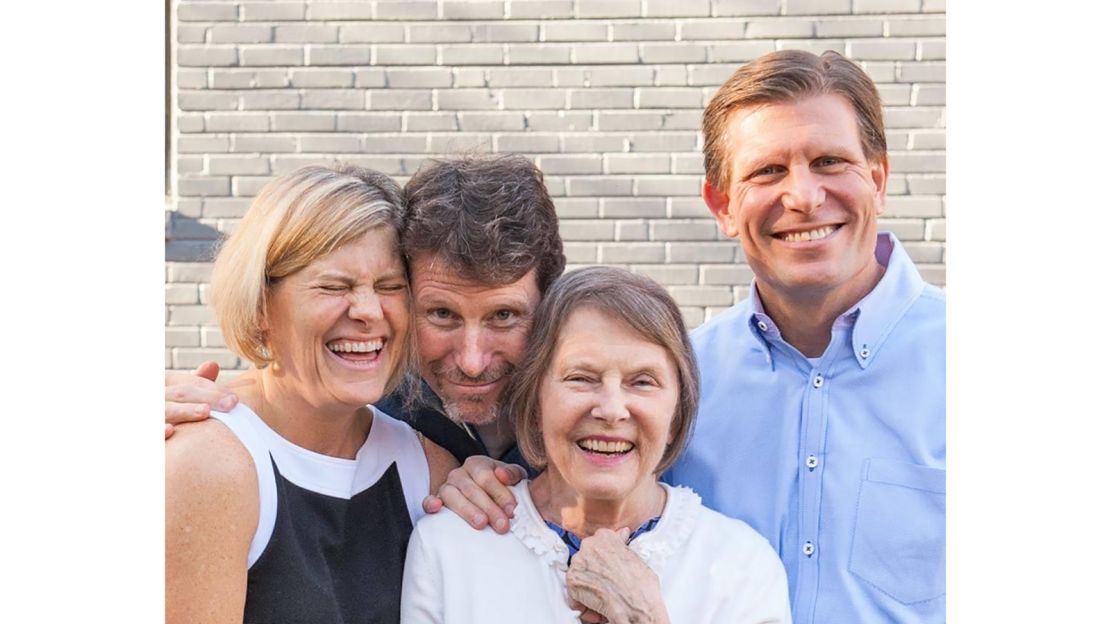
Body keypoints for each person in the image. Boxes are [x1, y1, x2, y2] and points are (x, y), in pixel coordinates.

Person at [400, 267, 791, 624]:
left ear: (676, 415)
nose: (611, 410)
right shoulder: (448, 549)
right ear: (535, 404)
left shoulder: (740, 566)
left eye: (642, 382)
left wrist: (644, 617)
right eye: (581, 378)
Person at [165, 164, 456, 623]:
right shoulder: (210, 465)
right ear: (261, 306)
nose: (367, 311)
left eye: (390, 287)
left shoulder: (430, 468)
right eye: (333, 287)